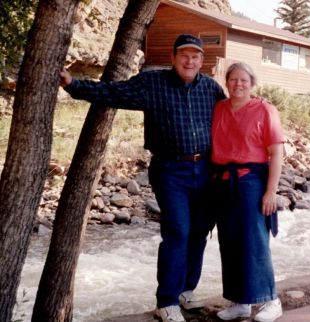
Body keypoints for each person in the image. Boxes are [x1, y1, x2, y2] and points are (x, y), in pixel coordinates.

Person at [60, 34, 225, 322]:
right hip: (170, 170)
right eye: (184, 55)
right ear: (174, 58)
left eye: (195, 56)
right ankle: (167, 302)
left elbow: (232, 120)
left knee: (199, 232)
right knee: (177, 232)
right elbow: (113, 92)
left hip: (206, 169)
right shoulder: (153, 83)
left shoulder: (211, 89)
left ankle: (187, 290)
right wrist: (73, 85)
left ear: (202, 60)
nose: (190, 61)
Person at [211, 62, 284, 322]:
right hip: (223, 182)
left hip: (252, 181)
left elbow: (277, 153)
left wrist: (270, 192)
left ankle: (271, 299)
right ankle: (240, 301)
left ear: (252, 84)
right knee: (229, 242)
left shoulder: (265, 110)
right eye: (233, 80)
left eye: (244, 80)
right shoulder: (219, 108)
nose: (238, 84)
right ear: (226, 82)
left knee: (254, 241)